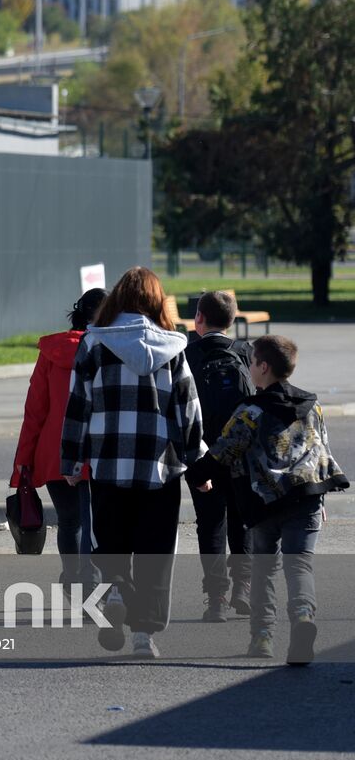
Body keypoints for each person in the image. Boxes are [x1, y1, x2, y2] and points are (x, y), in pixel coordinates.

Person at [59, 266, 204, 659]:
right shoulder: (174, 347)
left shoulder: (93, 343)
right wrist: (198, 465)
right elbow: (188, 410)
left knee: (112, 545)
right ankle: (145, 636)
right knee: (156, 553)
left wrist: (72, 462)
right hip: (161, 468)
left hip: (108, 466)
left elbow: (78, 407)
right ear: (158, 302)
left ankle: (118, 591)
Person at [204, 335, 348, 665]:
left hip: (264, 500)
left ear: (264, 368)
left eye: (252, 362)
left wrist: (197, 476)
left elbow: (224, 451)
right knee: (300, 565)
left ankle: (263, 637)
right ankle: (302, 618)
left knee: (264, 569)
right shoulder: (312, 404)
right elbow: (320, 449)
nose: (250, 367)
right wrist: (322, 503)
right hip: (308, 496)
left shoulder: (249, 411)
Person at [11, 287, 107, 588]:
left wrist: (22, 462)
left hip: (54, 451)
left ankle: (72, 578)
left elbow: (35, 411)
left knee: (69, 520)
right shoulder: (110, 348)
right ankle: (90, 582)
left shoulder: (51, 352)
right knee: (97, 522)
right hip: (99, 447)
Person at [183, 291, 256, 622]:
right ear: (233, 319)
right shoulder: (247, 352)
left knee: (210, 524)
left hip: (203, 454)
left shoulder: (186, 355)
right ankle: (243, 588)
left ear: (199, 317)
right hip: (243, 455)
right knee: (243, 520)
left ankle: (217, 599)